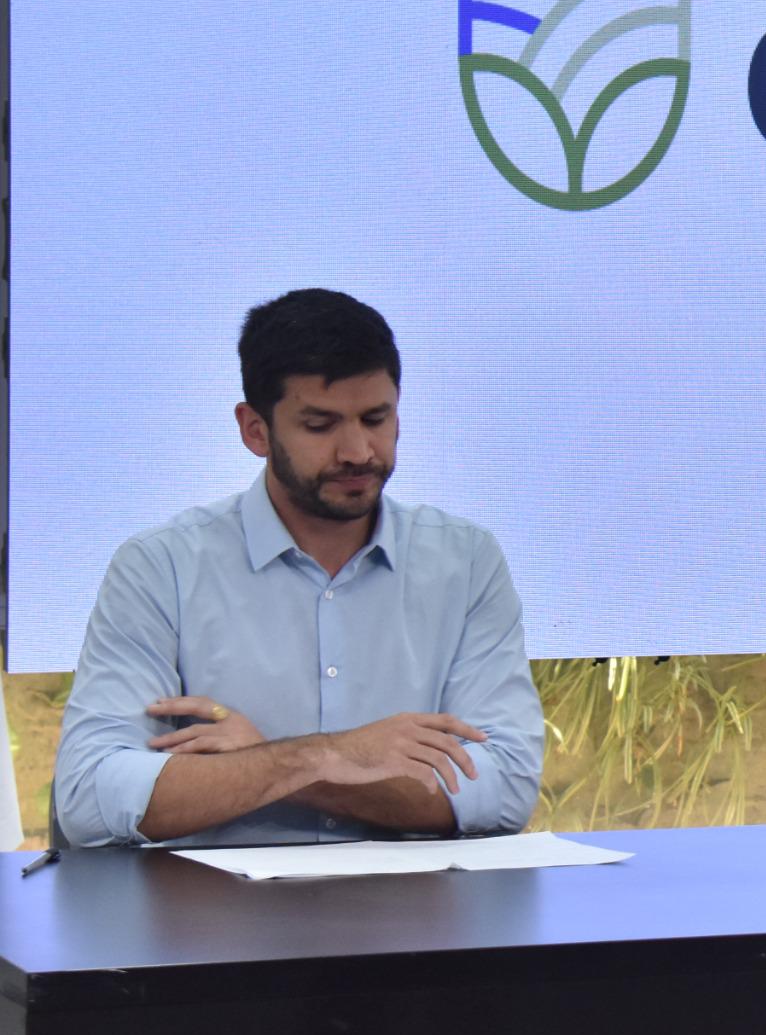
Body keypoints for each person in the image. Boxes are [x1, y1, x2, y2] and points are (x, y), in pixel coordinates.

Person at [52, 290, 543, 847]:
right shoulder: (160, 566)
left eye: (376, 418)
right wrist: (323, 756)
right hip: (212, 902)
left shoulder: (465, 560)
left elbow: (503, 789)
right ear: (255, 430)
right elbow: (90, 797)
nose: (357, 451)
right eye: (320, 425)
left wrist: (266, 764)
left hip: (412, 902)